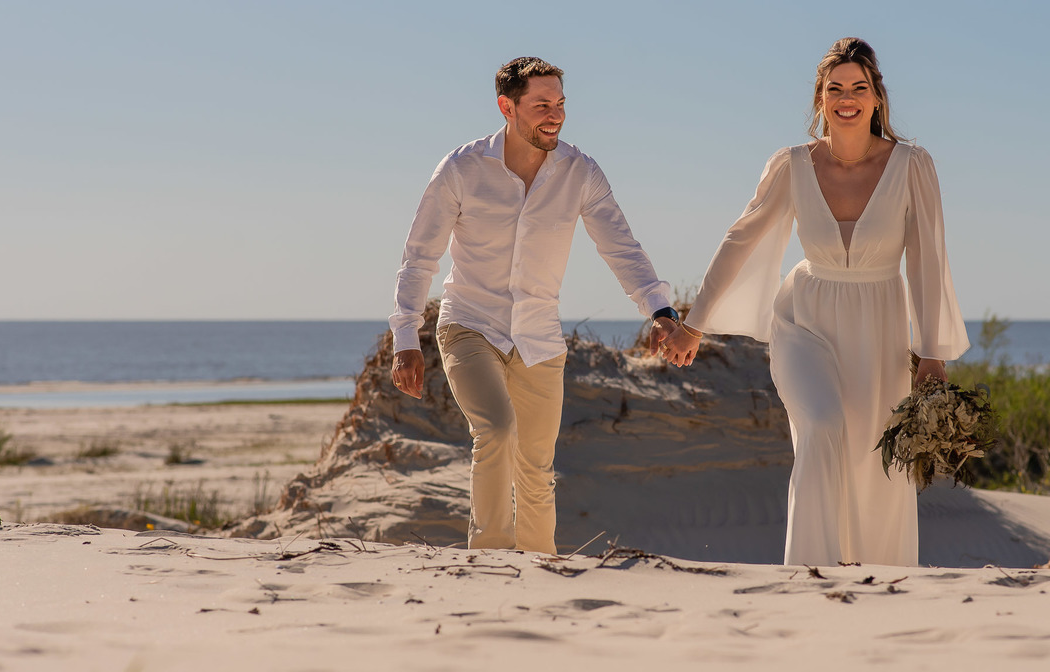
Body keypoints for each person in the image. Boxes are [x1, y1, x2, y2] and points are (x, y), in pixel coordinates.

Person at [660, 38, 969, 567]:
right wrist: (696, 323)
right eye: (834, 88)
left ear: (876, 98)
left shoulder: (912, 166)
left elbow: (929, 261)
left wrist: (933, 353)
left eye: (858, 87)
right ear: (820, 99)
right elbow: (743, 239)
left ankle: (874, 574)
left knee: (876, 467)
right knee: (822, 426)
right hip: (804, 320)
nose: (846, 98)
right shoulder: (792, 165)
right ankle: (810, 574)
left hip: (880, 325)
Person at [389, 56, 678, 555]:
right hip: (469, 325)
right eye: (542, 104)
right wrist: (404, 338)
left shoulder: (580, 171)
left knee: (537, 470)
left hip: (539, 337)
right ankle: (491, 561)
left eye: (561, 104)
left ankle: (540, 576)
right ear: (507, 107)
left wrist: (661, 311)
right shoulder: (461, 169)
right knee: (497, 431)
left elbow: (621, 247)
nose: (556, 115)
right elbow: (419, 257)